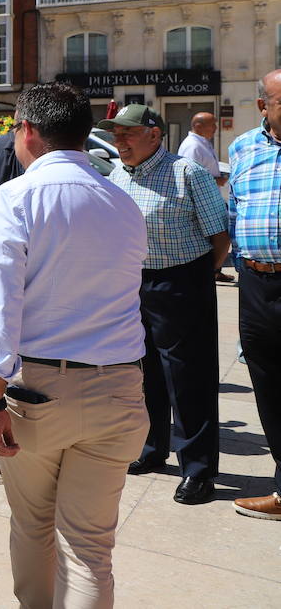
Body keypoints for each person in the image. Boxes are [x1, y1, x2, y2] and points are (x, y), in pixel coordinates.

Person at [0, 82, 149, 608]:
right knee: (90, 548)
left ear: (27, 130)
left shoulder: (18, 196)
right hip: (120, 387)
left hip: (42, 391)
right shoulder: (121, 200)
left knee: (34, 527)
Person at [103, 104, 229, 505]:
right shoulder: (117, 174)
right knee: (144, 373)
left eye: (127, 133)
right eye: (115, 134)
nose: (118, 141)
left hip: (181, 280)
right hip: (132, 281)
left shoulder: (186, 173)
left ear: (154, 135)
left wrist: (195, 280)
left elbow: (219, 236)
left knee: (189, 378)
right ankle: (151, 449)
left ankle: (198, 470)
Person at [229, 69, 281, 521]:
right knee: (267, 384)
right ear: (263, 106)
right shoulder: (242, 148)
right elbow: (235, 212)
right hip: (258, 282)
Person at [177, 111, 234, 283]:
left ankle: (215, 270)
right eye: (213, 125)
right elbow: (189, 175)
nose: (216, 128)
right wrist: (216, 179)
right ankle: (211, 270)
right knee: (218, 235)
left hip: (210, 195)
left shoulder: (202, 143)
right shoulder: (192, 146)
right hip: (201, 200)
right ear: (198, 126)